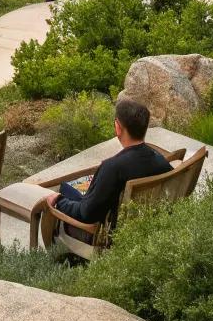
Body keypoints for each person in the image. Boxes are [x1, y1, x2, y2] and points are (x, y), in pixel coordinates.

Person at [42, 98, 171, 230]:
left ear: (118, 127)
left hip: (106, 232)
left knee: (61, 191)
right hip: (144, 225)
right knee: (71, 190)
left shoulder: (112, 168)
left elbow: (86, 214)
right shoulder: (160, 160)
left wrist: (59, 201)